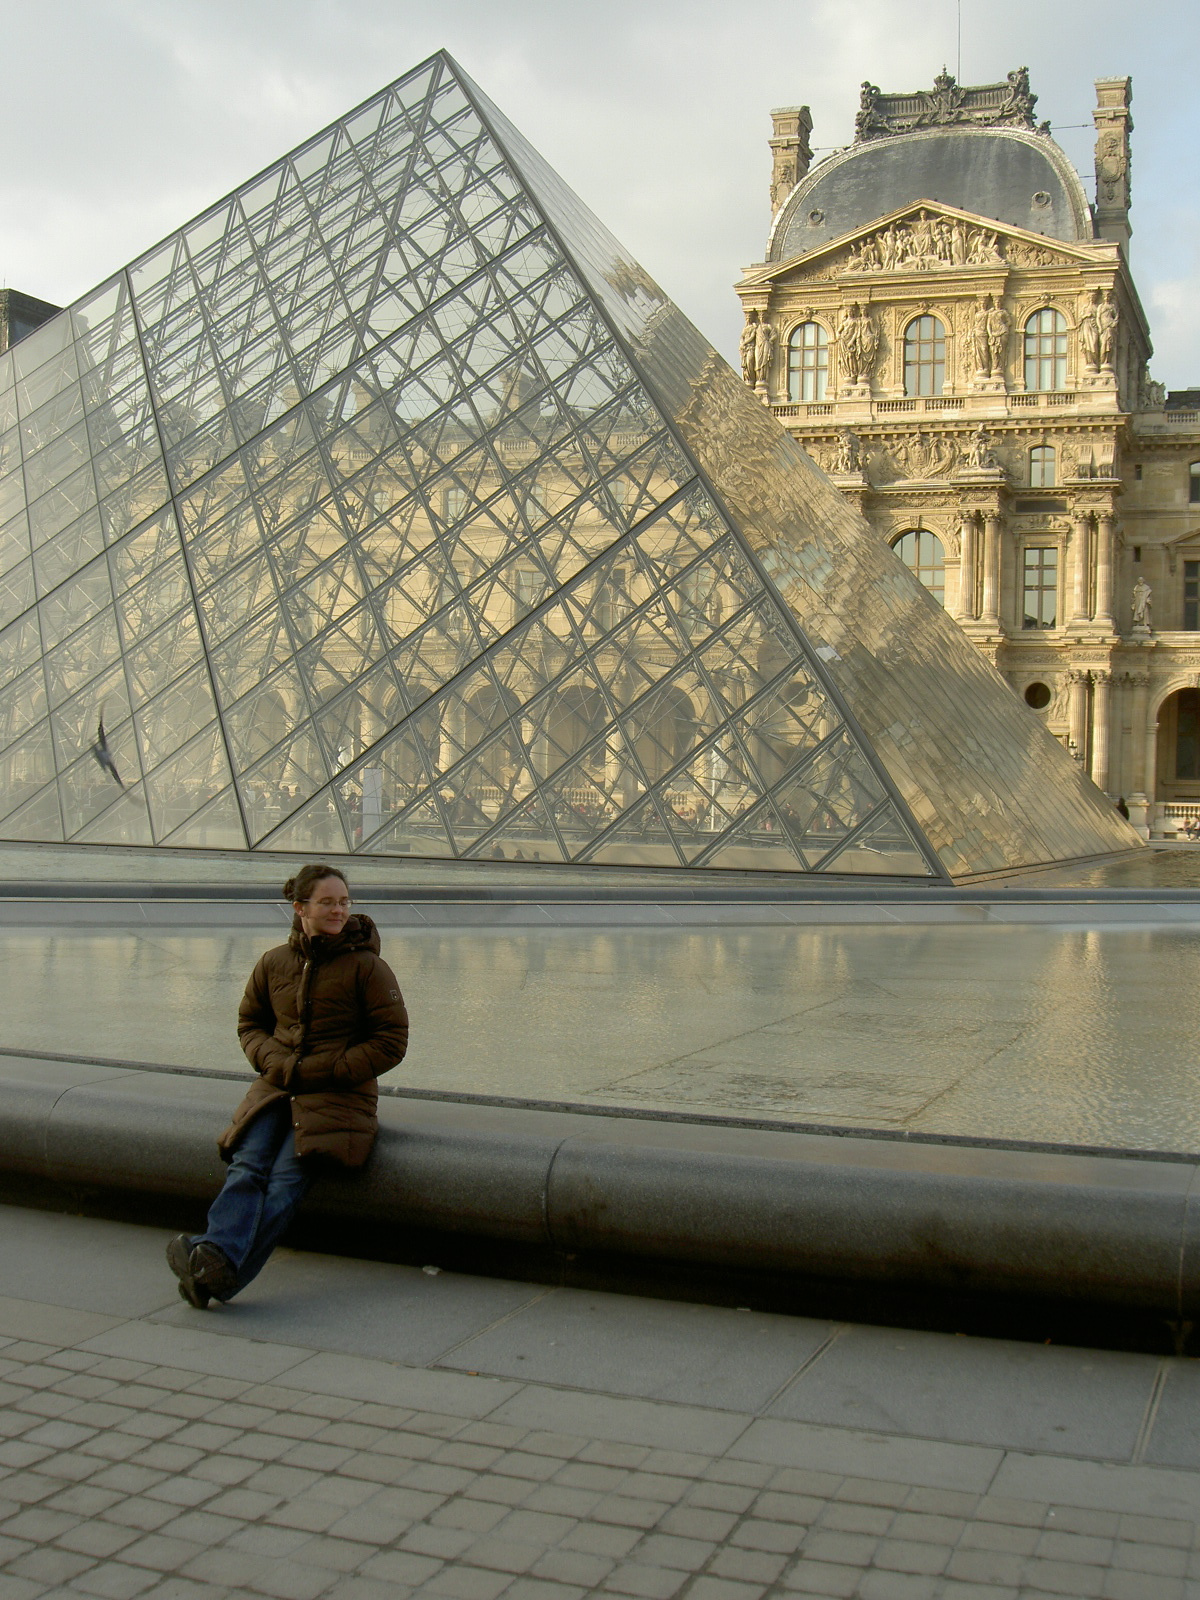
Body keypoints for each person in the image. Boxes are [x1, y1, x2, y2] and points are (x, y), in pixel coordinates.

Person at [167, 864, 409, 1308]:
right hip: (276, 1090)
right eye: (327, 902)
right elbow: (250, 1024)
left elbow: (391, 1042)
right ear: (300, 907)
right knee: (246, 1166)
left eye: (343, 902)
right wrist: (274, 1061)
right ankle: (215, 1265)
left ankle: (214, 1263)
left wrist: (328, 1069)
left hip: (337, 1100)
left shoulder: (369, 969)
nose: (338, 910)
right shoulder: (273, 962)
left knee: (282, 1184)